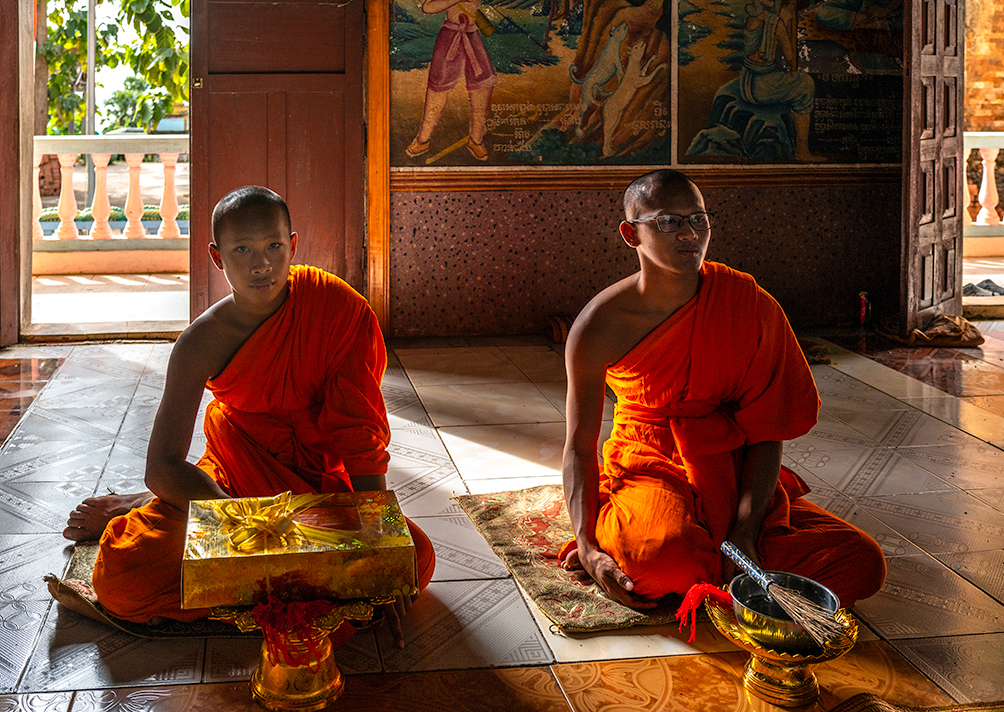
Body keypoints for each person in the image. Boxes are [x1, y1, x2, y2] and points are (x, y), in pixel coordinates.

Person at [62, 186, 435, 647]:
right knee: (124, 578)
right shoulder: (200, 343)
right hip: (235, 481)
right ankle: (142, 507)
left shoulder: (337, 309)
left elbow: (360, 437)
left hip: (316, 483)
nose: (262, 265)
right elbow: (162, 466)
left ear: (293, 246)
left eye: (274, 247)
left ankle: (252, 588)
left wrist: (382, 547)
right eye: (243, 250)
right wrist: (242, 527)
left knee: (416, 557)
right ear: (218, 258)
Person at [559, 169, 885, 610]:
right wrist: (587, 547)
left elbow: (767, 431)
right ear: (631, 234)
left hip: (727, 461)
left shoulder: (747, 304)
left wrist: (744, 533)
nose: (689, 234)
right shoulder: (599, 325)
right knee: (660, 565)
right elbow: (579, 445)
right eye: (668, 222)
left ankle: (715, 567)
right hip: (648, 455)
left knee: (862, 563)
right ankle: (653, 539)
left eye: (699, 219)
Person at [405, 0, 497, 162]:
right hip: (449, 35)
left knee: (483, 85)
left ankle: (476, 140)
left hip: (471, 34)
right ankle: (422, 140)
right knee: (438, 86)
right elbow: (428, 7)